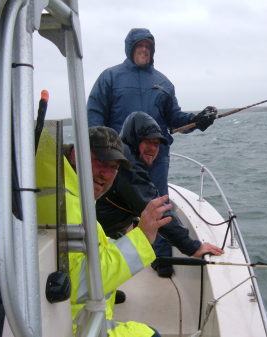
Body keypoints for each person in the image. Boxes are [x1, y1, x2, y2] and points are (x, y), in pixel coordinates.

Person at [87, 27, 217, 263]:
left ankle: (162, 258)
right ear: (130, 48)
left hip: (156, 156)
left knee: (158, 203)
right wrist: (100, 150)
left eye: (148, 47)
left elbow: (175, 119)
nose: (144, 50)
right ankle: (107, 260)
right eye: (140, 46)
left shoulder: (163, 83)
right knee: (109, 207)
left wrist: (197, 121)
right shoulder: (110, 77)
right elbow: (94, 115)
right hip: (119, 157)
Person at [36, 126, 170, 337]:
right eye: (100, 162)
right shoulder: (68, 207)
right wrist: (142, 238)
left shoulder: (57, 189)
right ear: (75, 154)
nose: (106, 174)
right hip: (72, 326)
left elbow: (81, 254)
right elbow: (80, 285)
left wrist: (123, 241)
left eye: (114, 167)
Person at [96, 111, 224, 278]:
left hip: (104, 227)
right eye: (147, 142)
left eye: (156, 143)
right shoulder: (129, 165)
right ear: (134, 139)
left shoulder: (125, 152)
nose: (153, 148)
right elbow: (156, 209)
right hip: (99, 232)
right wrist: (193, 247)